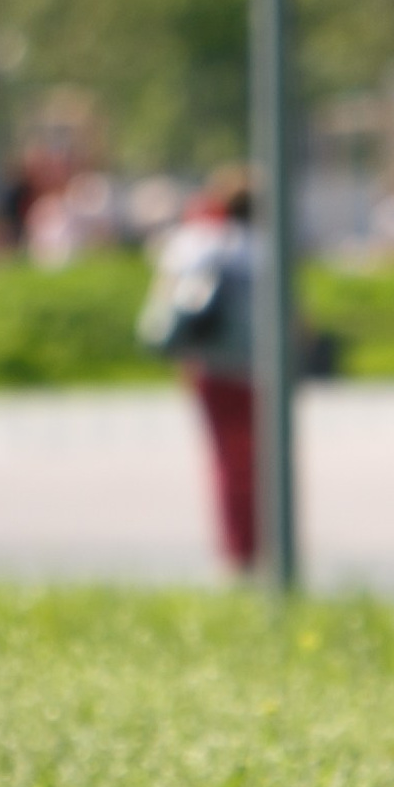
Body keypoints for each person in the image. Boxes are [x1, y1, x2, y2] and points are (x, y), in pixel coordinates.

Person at [139, 167, 259, 573]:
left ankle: (235, 550)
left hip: (210, 366)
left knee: (225, 461)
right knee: (262, 461)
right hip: (261, 369)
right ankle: (261, 543)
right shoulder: (268, 248)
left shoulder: (198, 243)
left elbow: (169, 299)